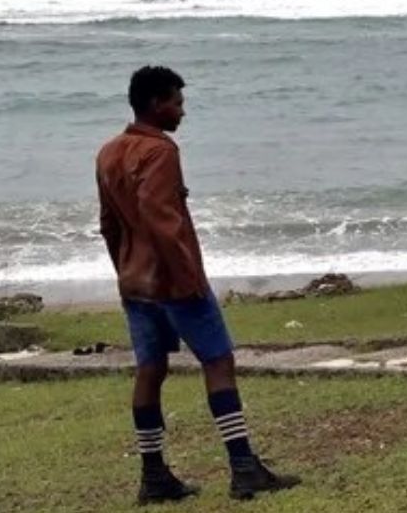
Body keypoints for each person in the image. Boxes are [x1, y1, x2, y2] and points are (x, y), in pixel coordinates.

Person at [96, 65, 298, 503]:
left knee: (150, 370)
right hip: (173, 280)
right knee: (218, 362)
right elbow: (161, 219)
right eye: (177, 102)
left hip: (135, 282)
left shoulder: (108, 153)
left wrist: (125, 271)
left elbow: (109, 225)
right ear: (156, 103)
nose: (182, 112)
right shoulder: (161, 152)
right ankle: (244, 468)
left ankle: (154, 477)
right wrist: (186, 278)